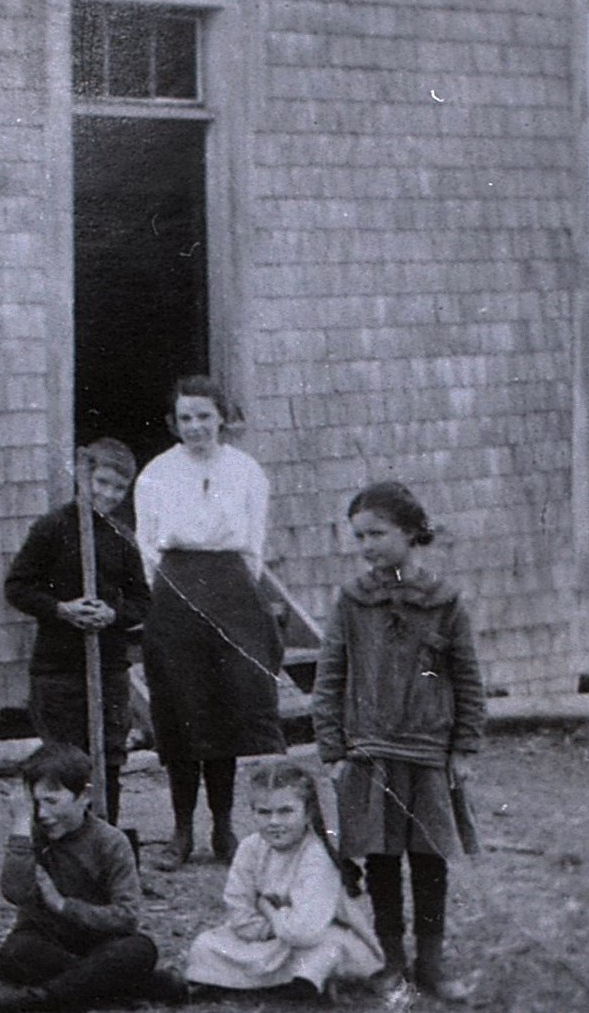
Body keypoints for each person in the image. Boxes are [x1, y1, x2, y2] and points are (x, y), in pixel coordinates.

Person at [311, 482, 485, 1004]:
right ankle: (393, 965)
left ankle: (431, 965)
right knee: (381, 861)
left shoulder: (444, 602)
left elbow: (469, 680)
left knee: (430, 862)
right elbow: (330, 677)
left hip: (429, 755)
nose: (366, 545)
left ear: (410, 533)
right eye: (359, 536)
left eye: (377, 534)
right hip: (369, 753)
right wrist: (334, 751)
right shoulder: (352, 601)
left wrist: (463, 749)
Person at [134, 375, 283, 869]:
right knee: (181, 708)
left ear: (222, 416)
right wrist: (165, 594)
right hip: (176, 587)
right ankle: (181, 831)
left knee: (225, 708)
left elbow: (255, 542)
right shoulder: (157, 472)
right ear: (173, 424)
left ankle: (222, 827)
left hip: (230, 587)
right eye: (185, 418)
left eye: (203, 415)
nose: (195, 425)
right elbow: (147, 543)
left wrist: (237, 588)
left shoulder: (245, 470)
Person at [0, 743, 179, 1013]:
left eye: (52, 802)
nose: (42, 814)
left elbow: (126, 916)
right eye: (35, 803)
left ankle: (35, 1002)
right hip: (49, 942)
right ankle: (137, 985)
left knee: (139, 949)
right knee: (15, 953)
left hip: (102, 941)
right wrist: (20, 825)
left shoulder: (111, 842)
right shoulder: (31, 835)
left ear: (84, 796)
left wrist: (63, 905)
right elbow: (14, 892)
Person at [3, 438, 151, 825]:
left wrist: (112, 614)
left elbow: (142, 601)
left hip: (109, 668)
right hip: (58, 670)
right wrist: (61, 609)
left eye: (118, 488)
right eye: (100, 482)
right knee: (62, 763)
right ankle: (60, 847)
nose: (107, 494)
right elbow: (17, 587)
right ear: (82, 477)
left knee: (109, 759)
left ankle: (106, 840)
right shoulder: (52, 528)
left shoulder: (121, 537)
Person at [181, 760, 384, 998]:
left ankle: (295, 985)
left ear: (307, 812)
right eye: (264, 812)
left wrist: (265, 906)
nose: (274, 822)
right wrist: (267, 930)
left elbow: (303, 931)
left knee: (328, 949)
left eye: (285, 811)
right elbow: (239, 910)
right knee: (205, 945)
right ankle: (275, 982)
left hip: (316, 937)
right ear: (253, 812)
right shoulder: (249, 848)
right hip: (272, 938)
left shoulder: (317, 855)